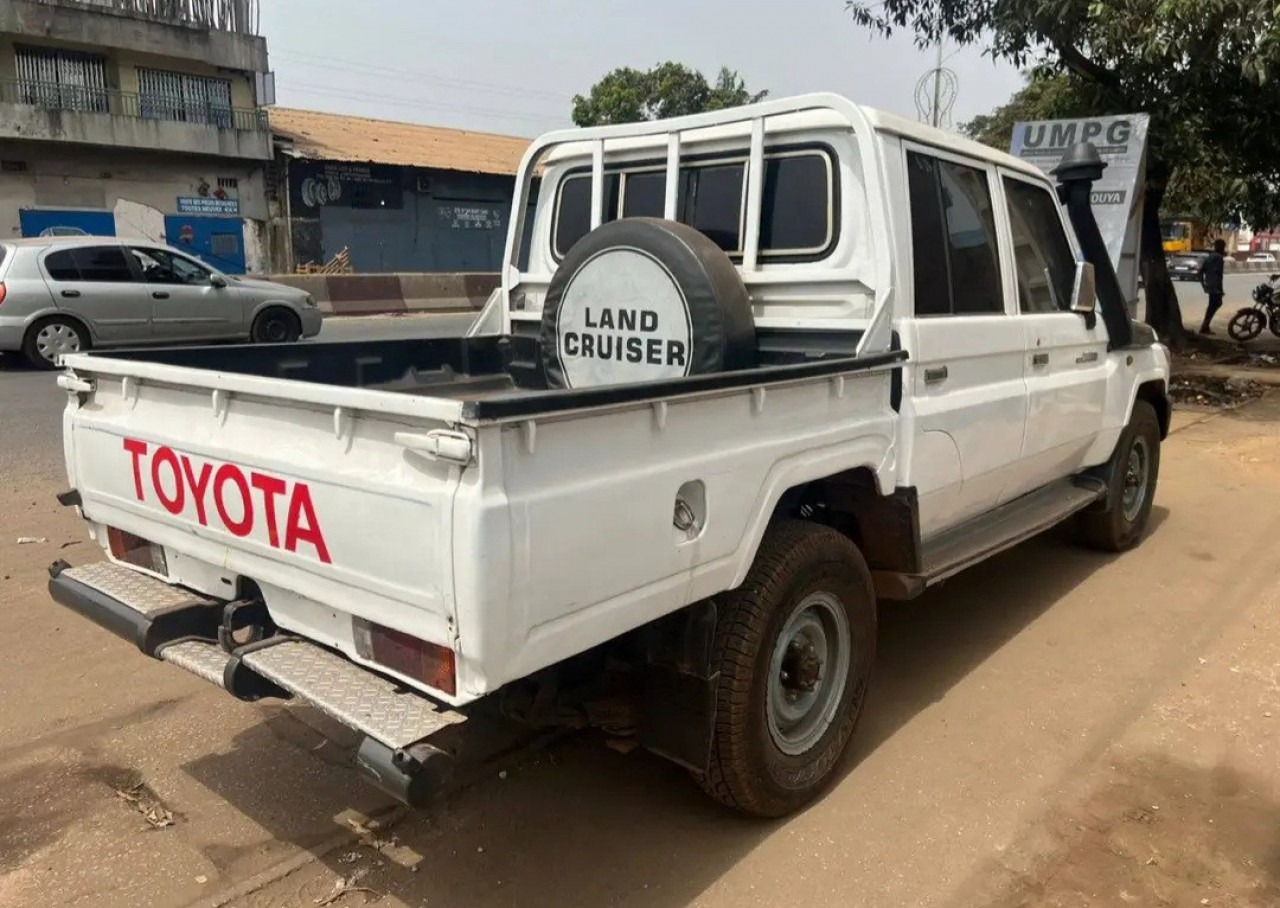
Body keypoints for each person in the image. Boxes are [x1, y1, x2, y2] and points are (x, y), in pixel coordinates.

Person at [1200, 239, 1227, 334]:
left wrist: (1203, 283)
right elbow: (1218, 274)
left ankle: (1205, 325)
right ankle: (1204, 326)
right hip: (1215, 286)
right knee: (1214, 305)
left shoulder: (1209, 257)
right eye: (1223, 247)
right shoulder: (1219, 258)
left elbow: (1200, 271)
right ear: (1221, 247)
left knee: (1213, 305)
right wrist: (1220, 289)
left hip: (1209, 285)